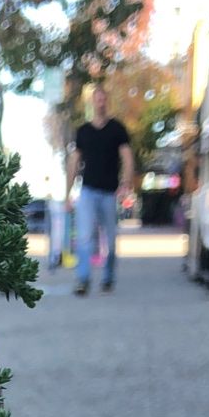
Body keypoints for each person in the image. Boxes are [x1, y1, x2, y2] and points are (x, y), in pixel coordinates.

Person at [66, 87, 133, 295]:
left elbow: (127, 157)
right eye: (97, 99)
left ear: (107, 101)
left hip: (109, 193)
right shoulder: (83, 131)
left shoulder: (117, 129)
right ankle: (83, 279)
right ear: (92, 103)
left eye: (104, 99)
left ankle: (108, 277)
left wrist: (126, 184)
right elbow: (74, 162)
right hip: (87, 191)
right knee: (85, 237)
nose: (101, 102)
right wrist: (67, 193)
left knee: (110, 240)